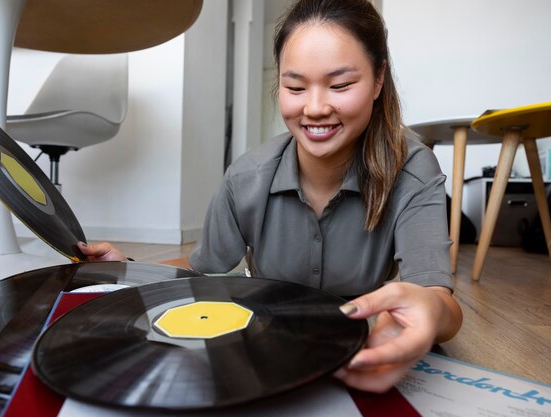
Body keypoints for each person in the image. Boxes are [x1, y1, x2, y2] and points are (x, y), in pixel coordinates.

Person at [79, 0, 462, 394]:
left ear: (379, 79)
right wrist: (128, 269)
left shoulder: (413, 170)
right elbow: (200, 269)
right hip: (266, 347)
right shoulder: (245, 178)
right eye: (295, 87)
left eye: (341, 85)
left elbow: (441, 302)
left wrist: (430, 309)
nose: (314, 108)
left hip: (363, 349)